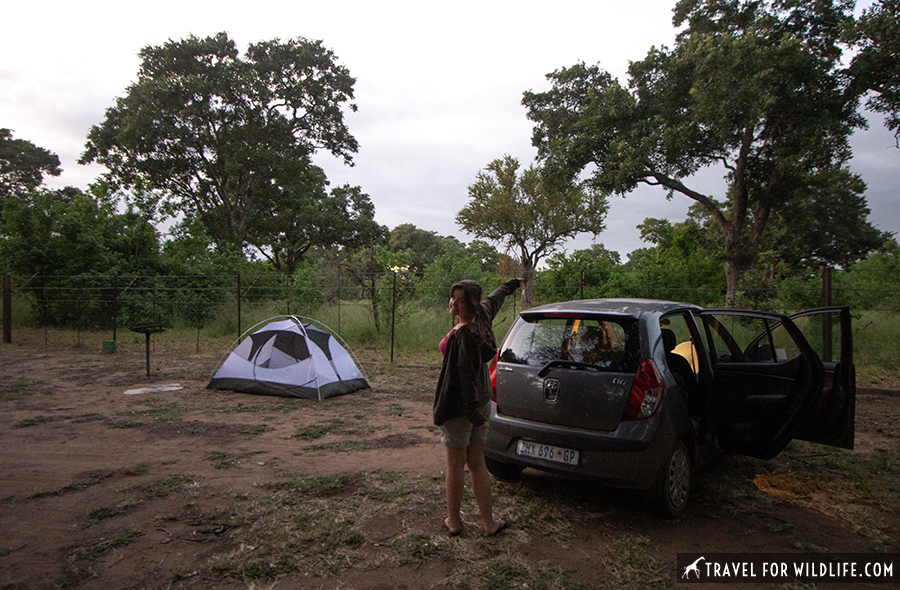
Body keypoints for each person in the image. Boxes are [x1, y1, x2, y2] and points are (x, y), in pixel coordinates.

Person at [434, 277, 521, 536]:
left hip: (462, 408)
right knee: (477, 462)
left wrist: (472, 415)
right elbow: (497, 297)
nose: (454, 303)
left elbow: (464, 379)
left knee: (455, 464)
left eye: (461, 300)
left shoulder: (464, 336)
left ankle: (454, 521)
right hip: (482, 401)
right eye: (453, 297)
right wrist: (514, 283)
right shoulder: (482, 317)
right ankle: (488, 523)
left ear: (470, 303)